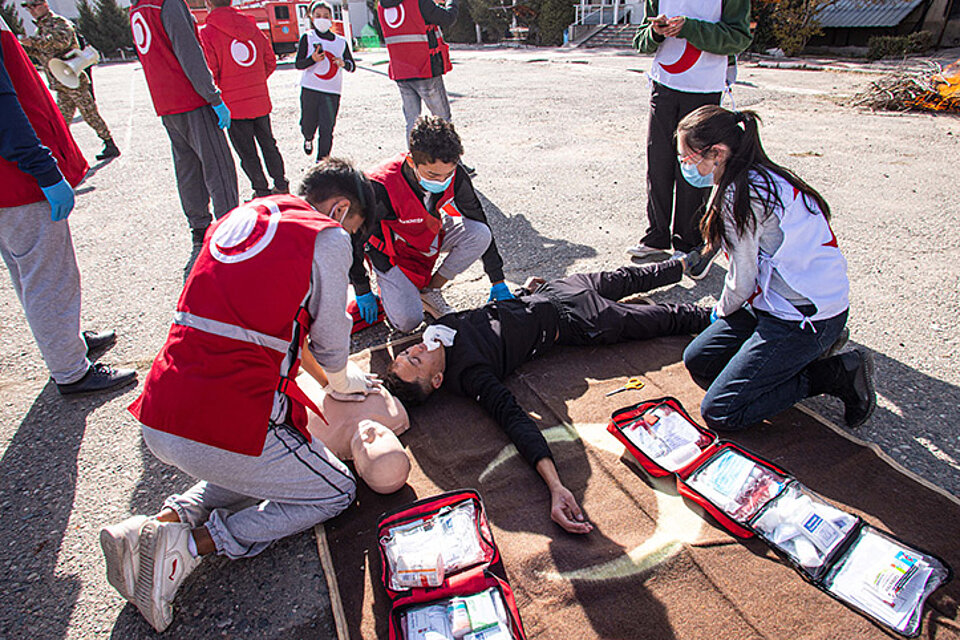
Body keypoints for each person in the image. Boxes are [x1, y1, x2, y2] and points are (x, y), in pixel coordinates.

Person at [99, 159, 379, 633]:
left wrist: (323, 376)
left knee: (265, 468)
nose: (348, 241)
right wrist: (343, 380)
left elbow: (272, 327)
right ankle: (186, 548)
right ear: (340, 208)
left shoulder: (246, 214)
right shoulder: (325, 236)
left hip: (163, 408)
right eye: (353, 231)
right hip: (222, 420)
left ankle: (159, 523)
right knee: (334, 490)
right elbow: (330, 343)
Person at [382, 257, 711, 533]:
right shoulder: (471, 374)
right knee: (661, 319)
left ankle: (684, 264)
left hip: (552, 290)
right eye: (415, 360)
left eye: (406, 353)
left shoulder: (436, 334)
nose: (414, 349)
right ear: (438, 380)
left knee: (625, 278)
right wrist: (556, 487)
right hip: (577, 321)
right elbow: (515, 422)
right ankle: (719, 317)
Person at [677, 106, 875, 432]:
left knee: (721, 411)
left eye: (688, 159)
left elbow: (742, 280)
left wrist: (720, 312)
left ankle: (836, 372)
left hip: (803, 317)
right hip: (775, 302)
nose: (686, 167)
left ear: (717, 153)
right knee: (699, 359)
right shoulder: (757, 174)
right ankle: (803, 353)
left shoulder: (742, 195)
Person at [1, 16, 136, 395]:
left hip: (11, 179)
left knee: (27, 270)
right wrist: (43, 168)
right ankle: (70, 369)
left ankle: (65, 341)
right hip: (17, 179)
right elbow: (4, 109)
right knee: (48, 276)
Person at [350, 116, 511, 332]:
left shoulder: (455, 175)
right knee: (408, 322)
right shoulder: (379, 186)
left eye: (447, 174)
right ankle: (389, 287)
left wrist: (497, 279)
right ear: (411, 162)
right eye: (432, 174)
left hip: (427, 235)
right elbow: (355, 238)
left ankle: (429, 291)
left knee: (480, 233)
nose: (440, 181)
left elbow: (478, 217)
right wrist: (362, 288)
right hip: (392, 251)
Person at [626, 0, 751, 262]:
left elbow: (738, 38)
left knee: (695, 166)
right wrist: (655, 32)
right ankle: (656, 236)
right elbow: (640, 40)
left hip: (704, 88)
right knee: (658, 163)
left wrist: (691, 29)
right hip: (664, 84)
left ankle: (689, 242)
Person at [129, 0, 239, 272]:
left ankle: (199, 229)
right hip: (192, 100)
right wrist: (213, 96)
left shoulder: (137, 8)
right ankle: (231, 234)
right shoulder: (166, 3)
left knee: (188, 170)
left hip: (167, 104)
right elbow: (189, 53)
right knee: (219, 168)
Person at [199, 0, 288, 198]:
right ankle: (281, 183)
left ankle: (261, 190)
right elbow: (270, 61)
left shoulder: (207, 32)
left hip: (233, 104)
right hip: (259, 100)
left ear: (208, 3)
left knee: (247, 152)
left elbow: (211, 70)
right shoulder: (252, 27)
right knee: (268, 144)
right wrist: (255, 81)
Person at [18, 0, 120, 160]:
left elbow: (61, 42)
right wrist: (26, 47)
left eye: (35, 5)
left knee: (89, 113)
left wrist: (34, 42)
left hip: (73, 78)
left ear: (45, 4)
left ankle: (109, 144)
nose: (32, 10)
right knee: (61, 120)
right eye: (28, 7)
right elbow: (43, 51)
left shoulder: (59, 22)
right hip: (60, 81)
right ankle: (64, 153)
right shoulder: (42, 27)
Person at [299, 364, 412, 494]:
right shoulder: (396, 416)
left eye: (369, 442)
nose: (371, 431)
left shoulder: (324, 445)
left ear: (358, 468)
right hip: (333, 361)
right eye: (383, 435)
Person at [377, 0, 457, 139]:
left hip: (401, 71)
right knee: (443, 120)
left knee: (412, 124)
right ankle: (450, 160)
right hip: (425, 68)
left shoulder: (382, 6)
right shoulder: (418, 1)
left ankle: (413, 159)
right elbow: (447, 18)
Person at [295, 0, 355, 162]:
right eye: (318, 16)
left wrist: (343, 64)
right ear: (312, 18)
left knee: (327, 129)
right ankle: (308, 138)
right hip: (310, 89)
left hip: (332, 91)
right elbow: (298, 64)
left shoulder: (341, 42)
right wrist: (312, 59)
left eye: (326, 16)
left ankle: (321, 162)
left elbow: (352, 66)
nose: (322, 19)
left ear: (331, 19)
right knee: (308, 123)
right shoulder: (307, 37)